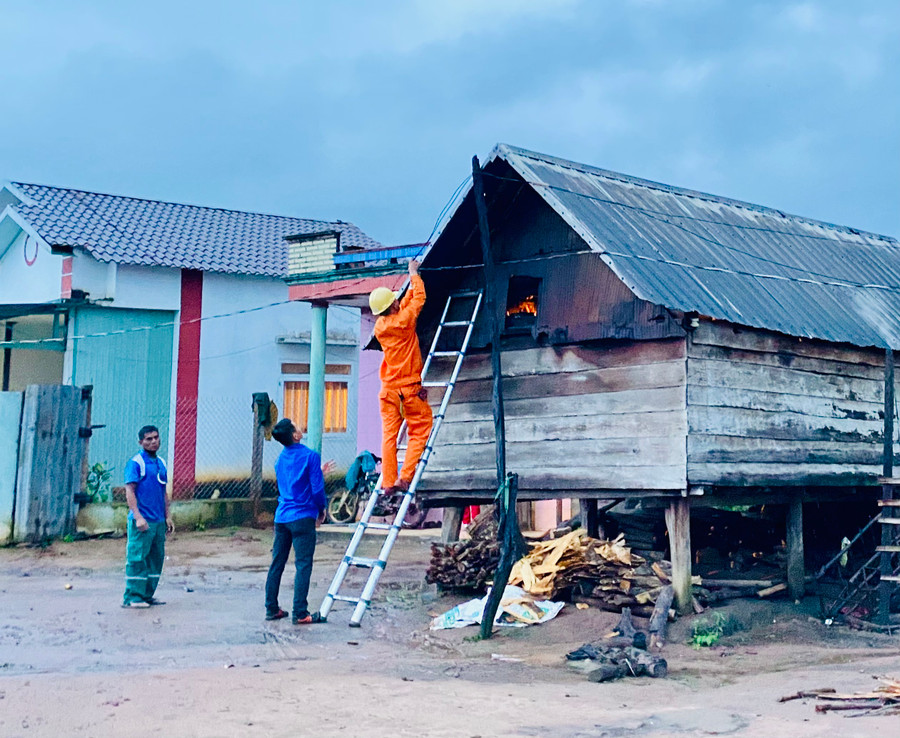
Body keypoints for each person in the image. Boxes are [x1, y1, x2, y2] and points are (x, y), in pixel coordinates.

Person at [369, 259, 434, 494]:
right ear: (393, 304)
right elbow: (419, 299)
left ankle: (388, 482)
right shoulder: (405, 320)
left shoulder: (380, 326)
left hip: (388, 391)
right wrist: (413, 273)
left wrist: (400, 298)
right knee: (421, 427)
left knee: (389, 437)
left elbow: (403, 306)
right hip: (409, 389)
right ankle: (405, 477)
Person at [264, 418, 326, 624]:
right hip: (303, 517)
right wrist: (321, 509)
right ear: (296, 436)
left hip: (282, 516)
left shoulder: (280, 460)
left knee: (277, 564)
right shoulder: (311, 456)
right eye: (297, 428)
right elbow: (316, 489)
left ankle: (271, 608)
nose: (300, 428)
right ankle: (300, 611)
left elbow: (292, 484)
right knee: (303, 564)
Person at [122, 425, 174, 608]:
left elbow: (163, 492)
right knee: (137, 558)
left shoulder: (161, 463)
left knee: (156, 559)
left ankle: (147, 595)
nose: (153, 442)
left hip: (158, 521)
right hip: (143, 522)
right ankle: (133, 597)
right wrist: (138, 517)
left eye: (156, 438)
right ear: (141, 442)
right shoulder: (136, 463)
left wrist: (167, 516)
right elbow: (130, 491)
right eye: (148, 439)